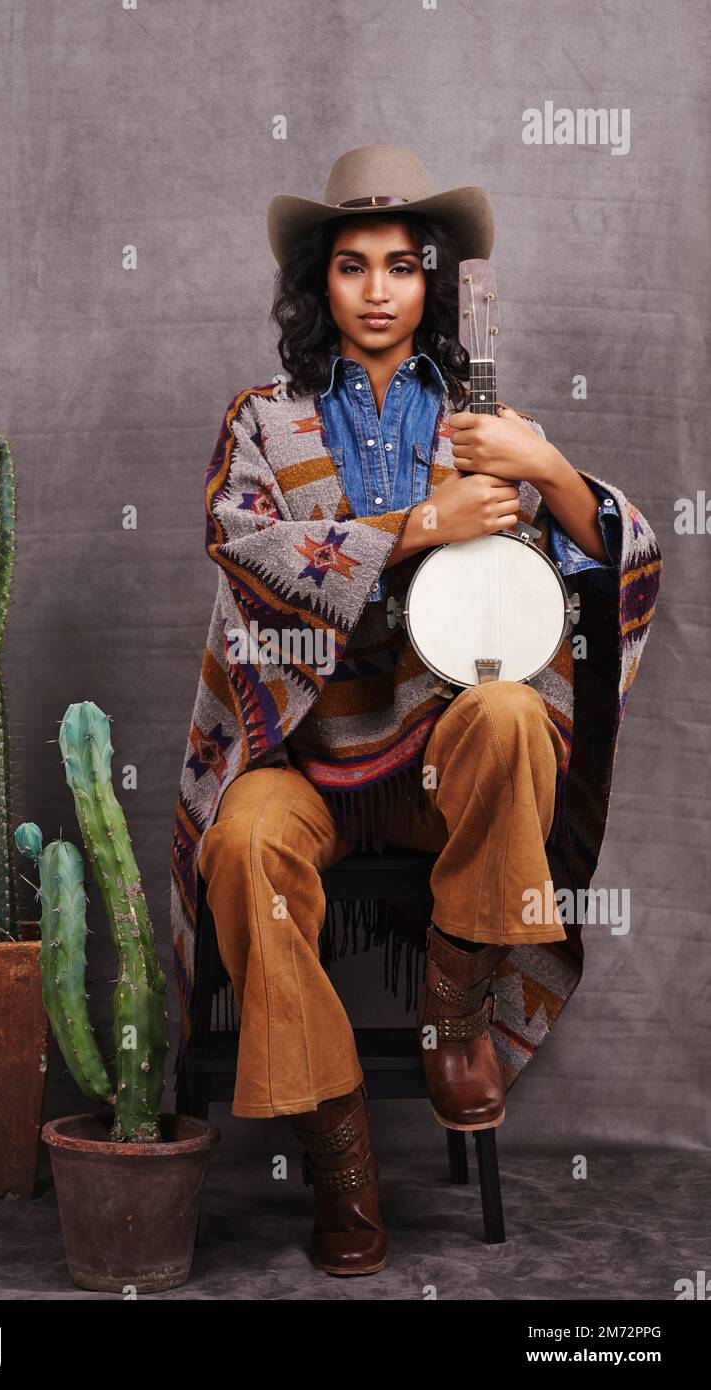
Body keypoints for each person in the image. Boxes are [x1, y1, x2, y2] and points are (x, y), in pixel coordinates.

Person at [170, 145, 661, 1277]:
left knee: (505, 713)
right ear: (320, 283)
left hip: (449, 762)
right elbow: (244, 545)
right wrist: (415, 530)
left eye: (404, 265)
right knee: (244, 843)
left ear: (437, 283)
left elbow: (623, 567)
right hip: (304, 755)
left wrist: (547, 464)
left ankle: (453, 1016)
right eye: (353, 266)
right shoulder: (263, 417)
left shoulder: (487, 424)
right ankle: (338, 1158)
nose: (381, 289)